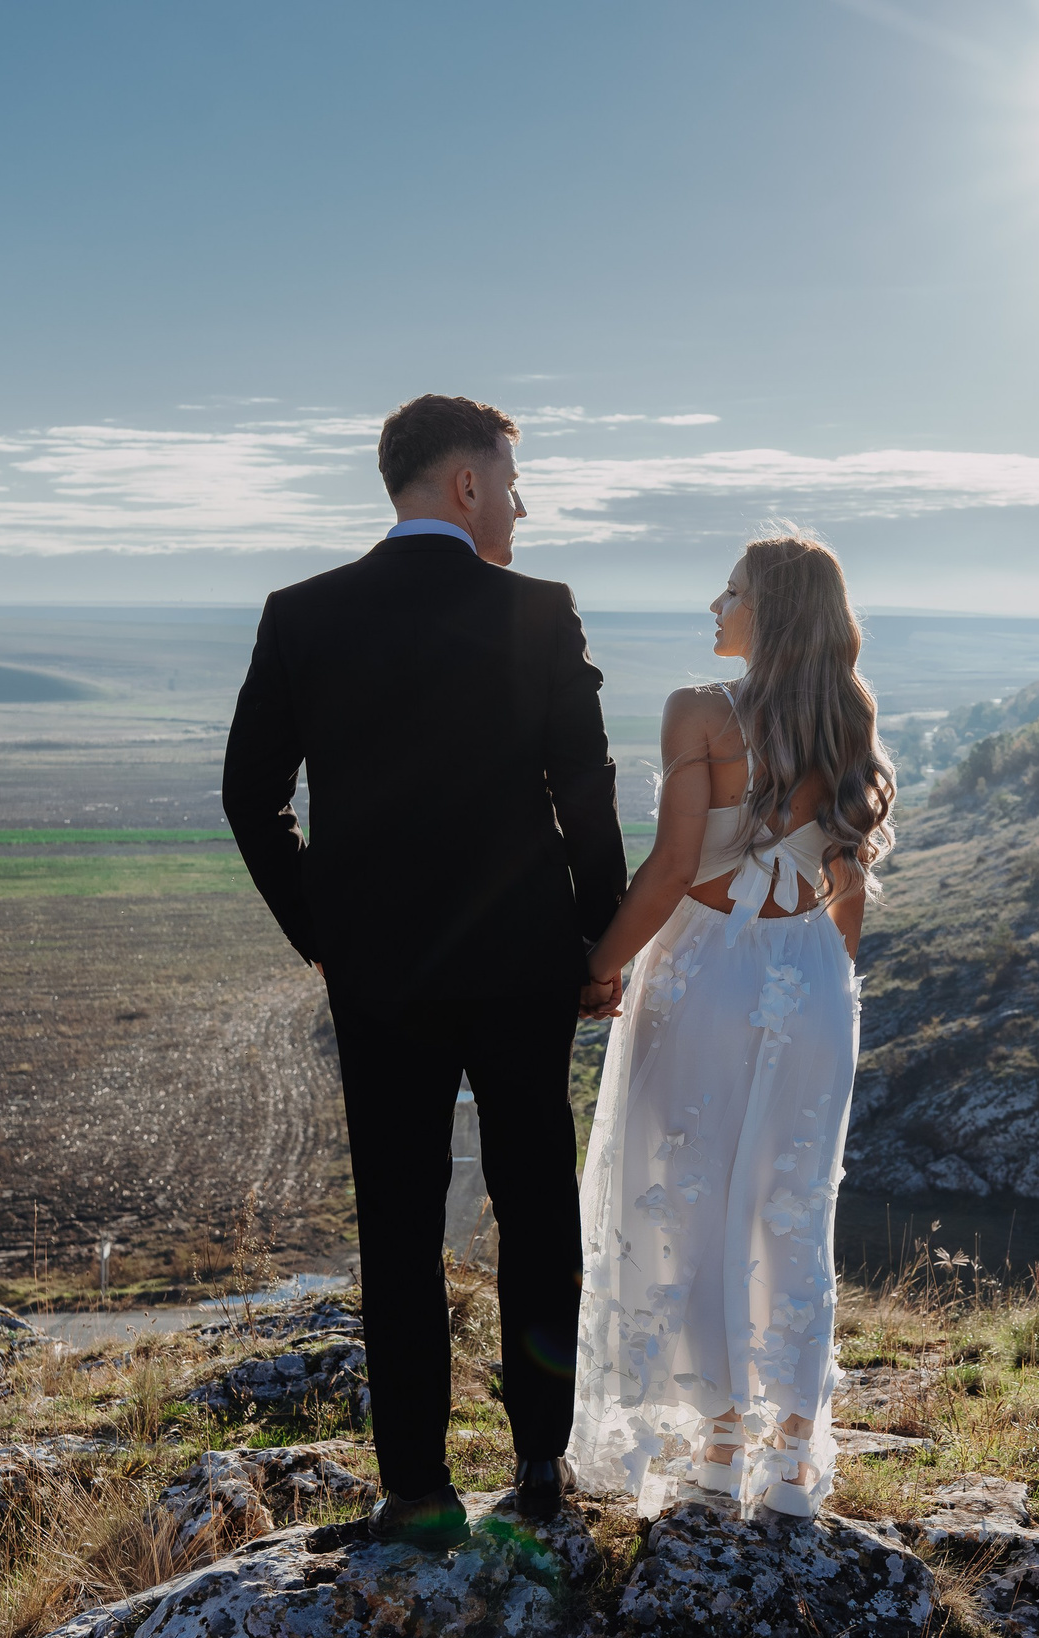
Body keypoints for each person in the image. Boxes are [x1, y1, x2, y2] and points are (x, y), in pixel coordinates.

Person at [221, 394, 626, 1548]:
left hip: (381, 974)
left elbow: (250, 797)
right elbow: (584, 791)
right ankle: (542, 1466)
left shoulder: (302, 615)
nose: (520, 502)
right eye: (511, 479)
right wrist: (599, 935)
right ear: (463, 484)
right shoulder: (539, 611)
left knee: (395, 1217)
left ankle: (415, 1488)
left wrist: (324, 931)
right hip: (522, 964)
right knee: (536, 1195)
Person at [569, 532, 893, 1518]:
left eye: (734, 591)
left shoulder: (697, 712)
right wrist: (823, 974)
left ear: (772, 610)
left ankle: (717, 1444)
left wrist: (599, 962)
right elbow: (848, 887)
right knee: (790, 1206)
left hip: (706, 965)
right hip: (807, 974)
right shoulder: (849, 718)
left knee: (685, 1195)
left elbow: (672, 868)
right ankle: (791, 1454)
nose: (717, 604)